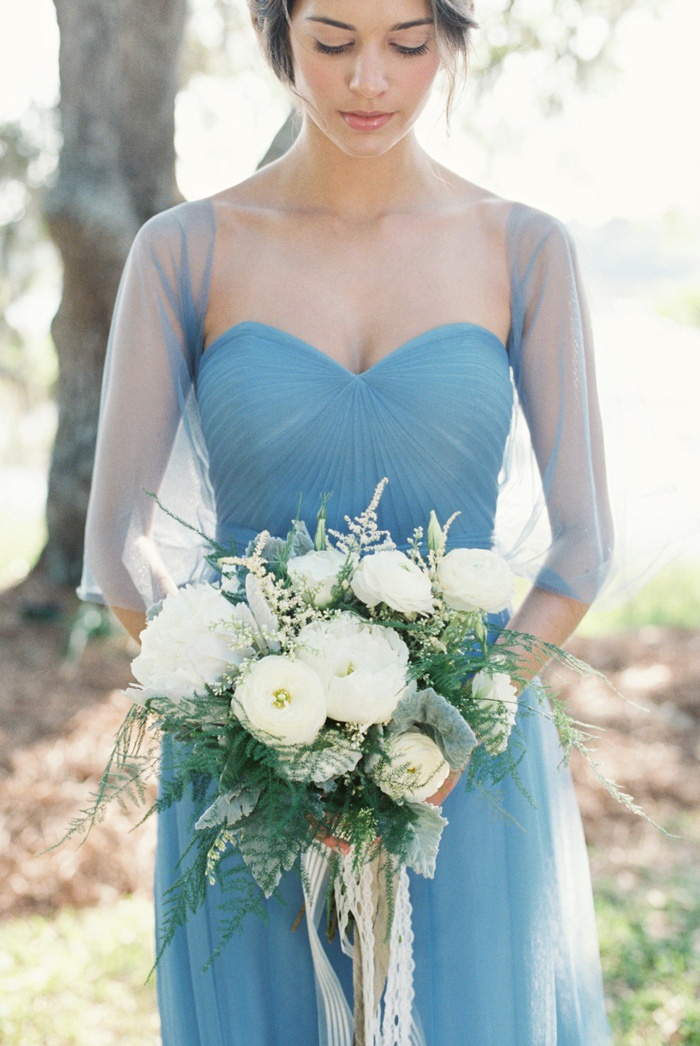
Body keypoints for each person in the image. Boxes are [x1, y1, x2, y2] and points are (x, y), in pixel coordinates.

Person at [79, 0, 615, 1042]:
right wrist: (236, 711)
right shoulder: (181, 250)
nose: (368, 78)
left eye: (406, 45)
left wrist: (459, 722)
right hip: (249, 766)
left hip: (465, 766)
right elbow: (116, 541)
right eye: (333, 41)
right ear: (275, 35)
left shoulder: (524, 248)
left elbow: (582, 541)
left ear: (449, 44)